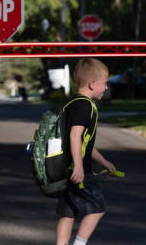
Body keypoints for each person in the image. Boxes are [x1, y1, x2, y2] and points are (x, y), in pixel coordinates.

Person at [55, 58, 117, 245]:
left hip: (64, 168)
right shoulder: (85, 106)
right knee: (98, 208)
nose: (106, 87)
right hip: (78, 170)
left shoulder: (72, 103)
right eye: (104, 83)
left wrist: (103, 161)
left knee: (69, 211)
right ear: (92, 84)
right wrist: (80, 168)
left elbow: (83, 142)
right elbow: (75, 136)